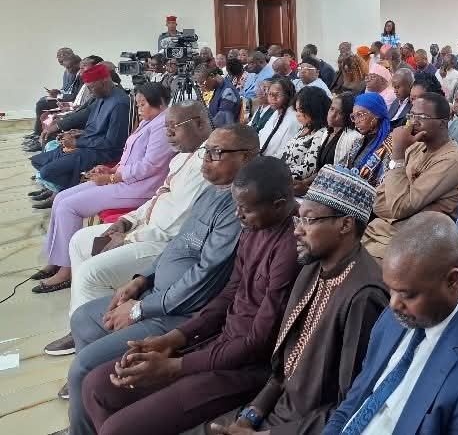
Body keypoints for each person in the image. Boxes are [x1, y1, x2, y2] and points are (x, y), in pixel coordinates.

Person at [79, 157, 302, 435]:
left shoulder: (291, 249)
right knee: (95, 386)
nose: (238, 216)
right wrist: (174, 339)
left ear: (278, 205)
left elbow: (257, 342)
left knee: (116, 429)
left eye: (245, 210)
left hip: (245, 369)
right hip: (216, 343)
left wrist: (176, 366)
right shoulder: (255, 228)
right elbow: (229, 295)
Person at [65, 124, 258, 431]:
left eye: (216, 153)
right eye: (205, 152)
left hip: (180, 312)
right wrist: (141, 280)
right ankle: (92, 408)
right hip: (156, 293)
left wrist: (141, 309)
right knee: (83, 319)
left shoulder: (241, 208)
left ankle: (90, 408)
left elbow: (205, 278)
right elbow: (177, 245)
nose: (206, 160)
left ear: (245, 157)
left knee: (84, 369)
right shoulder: (210, 192)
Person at [202, 166, 387, 435]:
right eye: (297, 220)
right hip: (270, 412)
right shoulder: (312, 267)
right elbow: (283, 372)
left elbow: (349, 405)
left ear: (345, 225)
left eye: (308, 220)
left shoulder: (364, 295)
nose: (297, 231)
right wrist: (250, 416)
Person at [42, 102, 212, 357]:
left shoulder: (205, 164)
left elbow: (174, 224)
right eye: (166, 127)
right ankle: (83, 328)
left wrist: (129, 237)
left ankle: (97, 346)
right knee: (80, 240)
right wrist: (127, 221)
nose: (168, 134)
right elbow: (157, 200)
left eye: (174, 127)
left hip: (164, 246)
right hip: (145, 229)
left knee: (91, 273)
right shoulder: (181, 157)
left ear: (199, 123)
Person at [324, 212, 458, 434]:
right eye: (391, 289)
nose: (393, 303)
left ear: (452, 280)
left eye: (407, 294)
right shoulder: (399, 312)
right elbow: (352, 403)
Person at [32, 83, 176, 292]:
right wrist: (111, 169)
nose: (138, 109)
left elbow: (150, 166)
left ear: (160, 103)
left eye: (142, 104)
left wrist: (112, 177)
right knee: (61, 198)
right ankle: (56, 259)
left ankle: (67, 270)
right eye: (137, 105)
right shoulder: (149, 121)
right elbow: (130, 156)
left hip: (139, 189)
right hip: (124, 180)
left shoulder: (162, 126)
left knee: (69, 207)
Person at [362, 92, 458, 259]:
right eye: (411, 115)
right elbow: (378, 201)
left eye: (421, 117)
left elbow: (399, 207)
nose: (413, 122)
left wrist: (398, 156)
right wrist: (404, 207)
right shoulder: (415, 147)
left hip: (411, 244)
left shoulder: (452, 160)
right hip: (381, 230)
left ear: (443, 123)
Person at [30, 63, 131, 199]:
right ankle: (64, 190)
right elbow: (93, 125)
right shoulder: (102, 96)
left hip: (102, 152)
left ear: (105, 81)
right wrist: (78, 133)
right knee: (37, 161)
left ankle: (67, 193)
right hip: (88, 144)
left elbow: (113, 143)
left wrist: (77, 143)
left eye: (91, 87)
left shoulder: (119, 104)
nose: (90, 91)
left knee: (46, 172)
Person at [280, 86, 332, 192]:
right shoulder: (304, 127)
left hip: (293, 184)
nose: (297, 114)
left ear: (314, 110)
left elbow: (307, 169)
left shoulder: (321, 133)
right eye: (297, 110)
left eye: (301, 110)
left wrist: (279, 174)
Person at [346, 92, 395, 187]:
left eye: (360, 115)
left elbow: (385, 182)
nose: (356, 121)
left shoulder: (390, 144)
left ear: (376, 114)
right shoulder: (358, 142)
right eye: (354, 116)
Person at [258, 77, 300, 158]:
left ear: (288, 96)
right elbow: (262, 136)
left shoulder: (294, 119)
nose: (273, 98)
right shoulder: (276, 113)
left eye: (277, 95)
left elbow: (284, 152)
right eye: (270, 94)